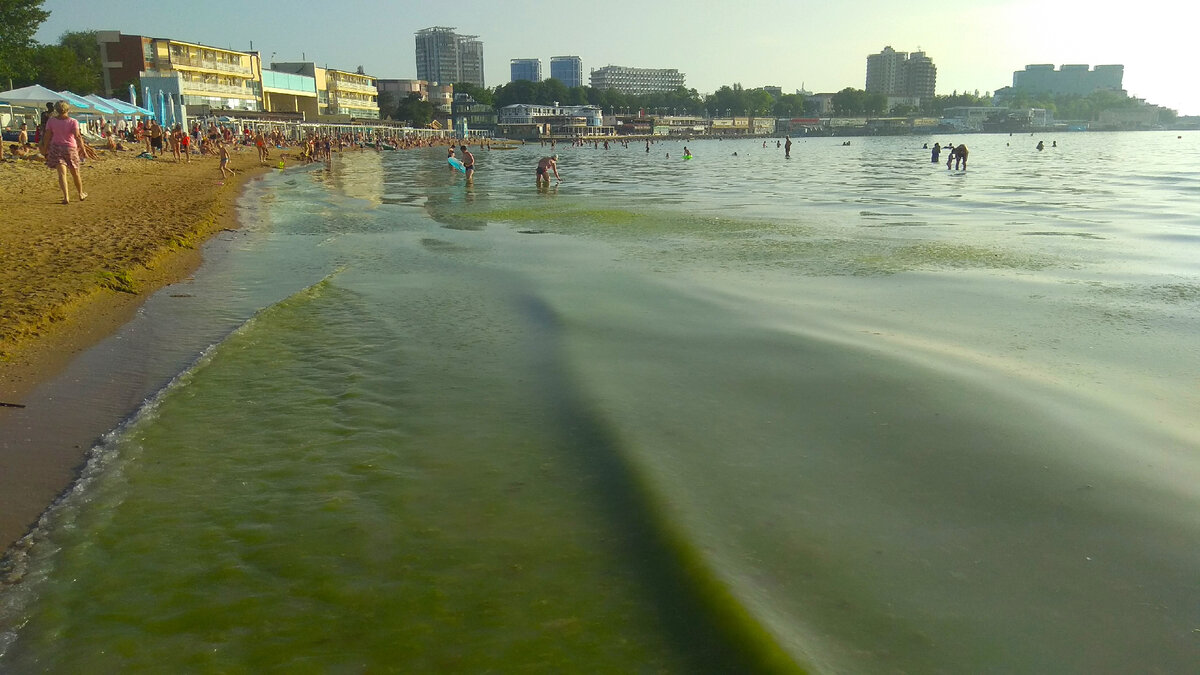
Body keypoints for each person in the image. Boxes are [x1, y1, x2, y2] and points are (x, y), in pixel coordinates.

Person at [40, 100, 90, 204]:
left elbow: (47, 136)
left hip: (56, 148)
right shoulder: (73, 121)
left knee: (62, 174)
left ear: (56, 109)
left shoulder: (51, 121)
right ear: (68, 109)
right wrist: (83, 150)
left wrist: (44, 148)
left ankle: (66, 196)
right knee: (75, 172)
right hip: (70, 148)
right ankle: (80, 193)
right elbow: (77, 136)